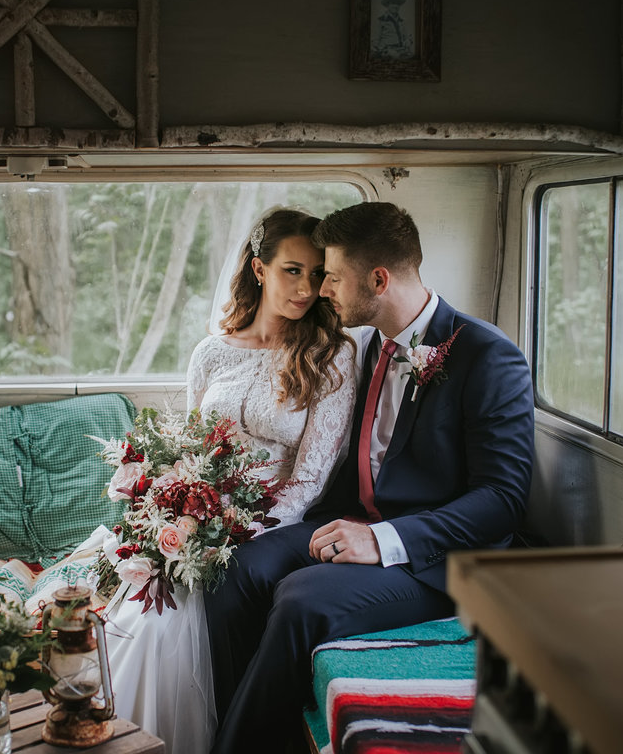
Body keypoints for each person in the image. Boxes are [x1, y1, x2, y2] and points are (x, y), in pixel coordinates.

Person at [205, 201, 535, 753]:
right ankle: (252, 727)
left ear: (378, 279)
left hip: (437, 560)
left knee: (301, 597)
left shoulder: (489, 357)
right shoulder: (365, 343)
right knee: (237, 572)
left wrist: (381, 540)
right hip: (352, 518)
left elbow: (502, 501)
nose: (321, 290)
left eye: (332, 276)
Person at [102, 207, 358, 754]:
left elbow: (312, 479)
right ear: (259, 267)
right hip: (200, 518)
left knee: (206, 593)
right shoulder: (211, 352)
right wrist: (180, 512)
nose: (306, 287)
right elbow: (190, 452)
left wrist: (233, 528)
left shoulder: (331, 356)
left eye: (318, 274)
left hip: (274, 520)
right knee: (151, 614)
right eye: (292, 270)